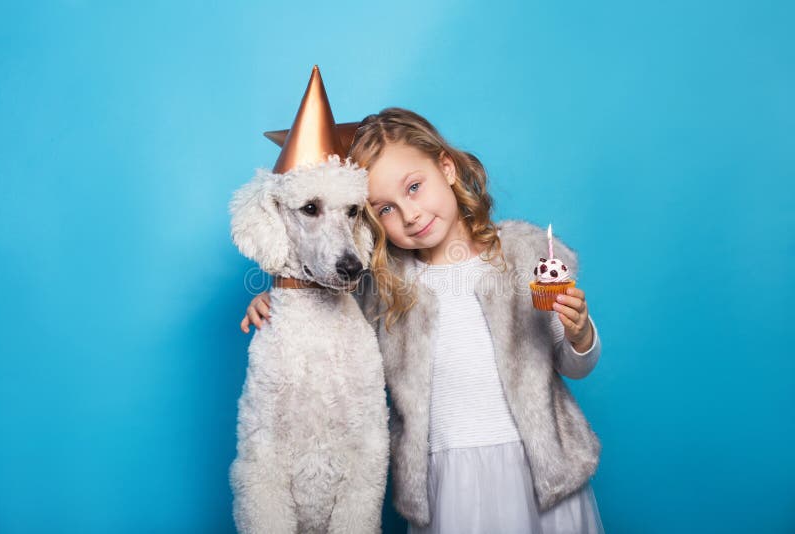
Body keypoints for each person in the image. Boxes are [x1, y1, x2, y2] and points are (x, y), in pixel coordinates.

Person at [240, 108, 605, 533]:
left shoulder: (526, 258)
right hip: (446, 481)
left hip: (540, 474)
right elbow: (329, 317)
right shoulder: (387, 286)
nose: (410, 214)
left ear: (446, 167)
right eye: (387, 209)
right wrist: (278, 296)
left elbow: (576, 364)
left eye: (415, 187)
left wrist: (580, 334)